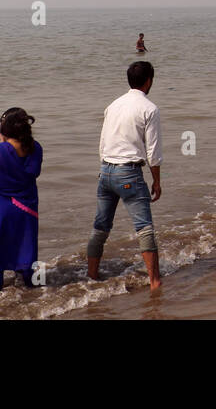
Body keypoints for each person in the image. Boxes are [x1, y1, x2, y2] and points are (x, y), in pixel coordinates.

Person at [87, 60, 163, 290]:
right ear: (148, 81)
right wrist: (157, 181)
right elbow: (153, 151)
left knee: (100, 228)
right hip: (129, 173)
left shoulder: (113, 105)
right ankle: (155, 282)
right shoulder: (149, 109)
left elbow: (102, 143)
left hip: (106, 171)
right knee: (144, 228)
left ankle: (91, 276)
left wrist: (105, 169)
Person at [0, 107, 42, 289]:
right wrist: (3, 146)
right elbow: (31, 172)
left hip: (0, 210)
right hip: (27, 209)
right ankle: (35, 290)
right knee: (27, 250)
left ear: (4, 131)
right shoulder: (35, 148)